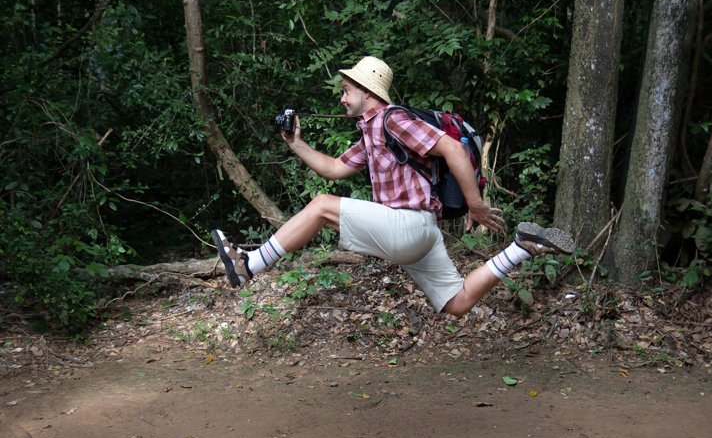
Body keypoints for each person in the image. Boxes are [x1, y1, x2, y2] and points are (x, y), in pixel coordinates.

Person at [212, 56, 574, 317]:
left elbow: (451, 148)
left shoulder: (393, 119)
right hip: (422, 235)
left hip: (408, 225)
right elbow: (335, 168)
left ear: (367, 93)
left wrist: (475, 204)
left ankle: (250, 264)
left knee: (322, 206)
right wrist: (296, 143)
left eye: (346, 90)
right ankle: (522, 248)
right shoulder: (372, 131)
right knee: (457, 303)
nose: (341, 98)